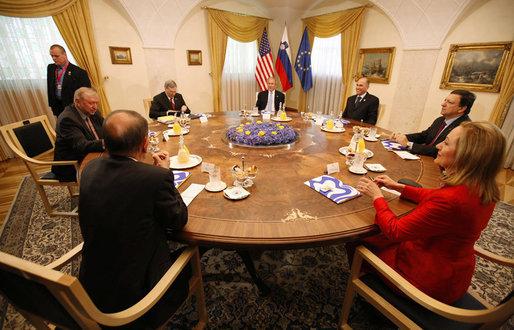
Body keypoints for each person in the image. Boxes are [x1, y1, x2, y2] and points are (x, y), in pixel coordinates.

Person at [355, 121, 505, 304]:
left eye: (447, 143)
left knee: (359, 240)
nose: (438, 146)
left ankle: (368, 296)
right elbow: (437, 195)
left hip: (424, 282)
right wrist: (398, 186)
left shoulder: (450, 200)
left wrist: (377, 196)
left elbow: (395, 231)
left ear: (467, 155)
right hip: (454, 274)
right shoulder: (483, 185)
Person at [79, 110, 189, 328]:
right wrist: (165, 175)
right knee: (195, 250)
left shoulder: (89, 169)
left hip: (91, 286)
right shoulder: (155, 178)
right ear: (145, 143)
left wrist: (154, 174)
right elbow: (178, 219)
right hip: (137, 296)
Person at [390, 89, 475, 158]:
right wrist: (401, 137)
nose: (443, 104)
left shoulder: (464, 128)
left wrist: (409, 145)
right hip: (424, 157)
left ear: (462, 108)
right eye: (445, 100)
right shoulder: (440, 120)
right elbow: (424, 136)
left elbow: (441, 150)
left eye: (450, 102)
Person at [52, 87, 104, 182]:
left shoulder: (92, 111)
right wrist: (105, 143)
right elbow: (81, 145)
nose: (95, 107)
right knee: (109, 172)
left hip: (92, 154)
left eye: (96, 103)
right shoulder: (67, 119)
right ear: (77, 102)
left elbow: (106, 127)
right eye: (91, 103)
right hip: (72, 164)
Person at [47, 44, 91, 117]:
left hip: (72, 108)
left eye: (56, 56)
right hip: (57, 106)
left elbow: (86, 92)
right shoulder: (51, 68)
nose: (54, 58)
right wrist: (51, 105)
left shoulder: (79, 72)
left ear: (64, 54)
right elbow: (50, 87)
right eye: (52, 56)